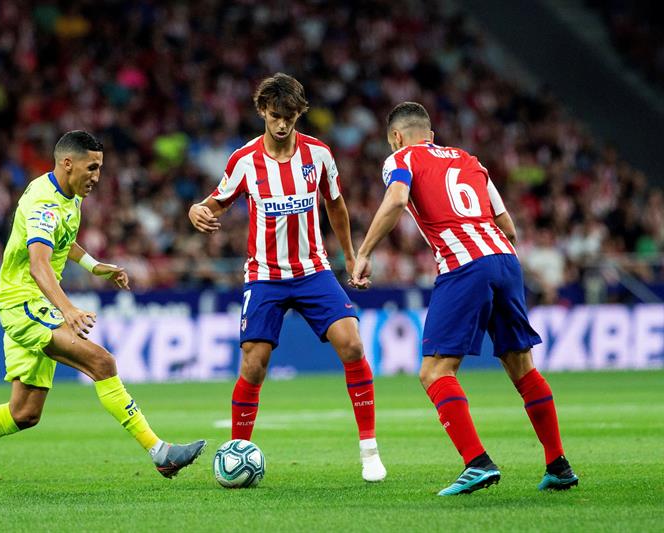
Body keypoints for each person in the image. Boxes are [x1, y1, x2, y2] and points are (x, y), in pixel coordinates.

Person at [0, 131, 205, 490]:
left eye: (100, 168)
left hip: (32, 303)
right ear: (67, 163)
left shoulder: (67, 195)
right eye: (92, 168)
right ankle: (160, 452)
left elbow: (63, 240)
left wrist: (94, 265)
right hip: (24, 302)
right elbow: (38, 265)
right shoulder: (45, 202)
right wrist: (69, 309)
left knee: (24, 413)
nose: (97, 176)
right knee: (102, 362)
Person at [351, 102, 578, 495]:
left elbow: (398, 199)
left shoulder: (401, 158)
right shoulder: (469, 159)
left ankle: (477, 462)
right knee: (521, 365)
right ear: (432, 135)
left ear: (395, 137)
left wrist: (365, 252)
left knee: (435, 371)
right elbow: (507, 225)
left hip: (463, 264)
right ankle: (558, 465)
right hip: (505, 260)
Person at [188, 73, 386, 482]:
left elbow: (336, 207)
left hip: (313, 271)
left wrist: (350, 257)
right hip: (265, 277)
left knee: (351, 345)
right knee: (254, 364)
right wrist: (196, 210)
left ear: (299, 115)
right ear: (262, 111)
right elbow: (215, 202)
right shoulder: (244, 160)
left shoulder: (319, 155)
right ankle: (236, 450)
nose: (282, 124)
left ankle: (369, 451)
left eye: (290, 117)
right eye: (276, 116)